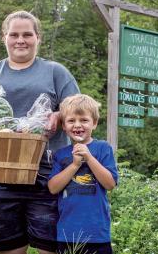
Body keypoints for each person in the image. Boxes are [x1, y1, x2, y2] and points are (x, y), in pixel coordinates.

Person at [0, 10, 80, 254]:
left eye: (27, 34)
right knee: (10, 248)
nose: (20, 40)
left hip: (47, 172)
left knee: (51, 247)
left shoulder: (56, 72)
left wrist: (59, 115)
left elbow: (78, 111)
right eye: (14, 34)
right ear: (4, 37)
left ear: (38, 38)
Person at [48, 94, 119, 254]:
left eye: (84, 120)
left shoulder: (102, 148)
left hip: (97, 233)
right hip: (67, 234)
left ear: (94, 123)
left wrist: (89, 158)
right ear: (64, 126)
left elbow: (110, 184)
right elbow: (53, 188)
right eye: (71, 121)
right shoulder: (61, 154)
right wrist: (74, 165)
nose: (77, 125)